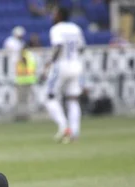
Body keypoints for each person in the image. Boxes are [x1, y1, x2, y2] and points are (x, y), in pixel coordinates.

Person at [41, 7, 85, 143]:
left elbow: (58, 46)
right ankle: (75, 132)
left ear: (59, 15)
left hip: (61, 66)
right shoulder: (76, 28)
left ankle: (64, 127)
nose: (52, 16)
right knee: (73, 99)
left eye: (54, 13)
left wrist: (49, 65)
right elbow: (82, 47)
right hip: (76, 65)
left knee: (48, 97)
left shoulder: (56, 29)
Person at [14, 45, 37, 121]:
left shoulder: (24, 54)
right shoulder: (31, 55)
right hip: (29, 79)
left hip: (23, 79)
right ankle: (25, 115)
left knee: (21, 100)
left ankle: (21, 116)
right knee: (26, 100)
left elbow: (24, 62)